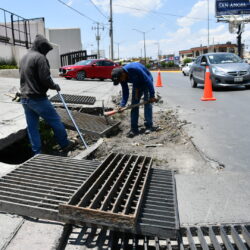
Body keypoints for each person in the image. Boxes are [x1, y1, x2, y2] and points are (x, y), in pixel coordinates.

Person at [19, 34, 70, 155]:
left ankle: (37, 153)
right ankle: (65, 145)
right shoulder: (40, 58)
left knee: (32, 127)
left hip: (25, 98)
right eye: (46, 51)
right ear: (41, 47)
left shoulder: (24, 57)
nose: (46, 53)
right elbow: (45, 78)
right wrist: (54, 86)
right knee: (55, 121)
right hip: (37, 98)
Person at [111, 62, 158, 138]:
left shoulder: (134, 69)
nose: (121, 81)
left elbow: (148, 81)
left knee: (147, 103)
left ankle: (149, 126)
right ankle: (134, 129)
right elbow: (125, 91)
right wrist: (122, 105)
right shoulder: (122, 77)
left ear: (123, 74)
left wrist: (152, 95)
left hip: (146, 82)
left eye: (120, 80)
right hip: (137, 86)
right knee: (134, 105)